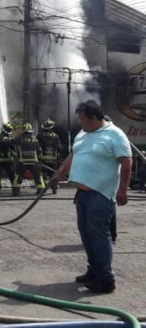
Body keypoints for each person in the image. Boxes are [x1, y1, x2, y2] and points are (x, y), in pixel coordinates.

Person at [50, 100, 132, 293]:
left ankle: (105, 278)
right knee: (87, 235)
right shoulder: (83, 133)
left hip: (101, 195)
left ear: (95, 118)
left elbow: (126, 162)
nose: (81, 123)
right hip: (83, 195)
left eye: (83, 119)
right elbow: (73, 155)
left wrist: (123, 190)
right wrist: (59, 174)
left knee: (99, 236)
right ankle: (94, 270)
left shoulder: (115, 134)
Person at [12, 123, 45, 196]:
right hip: (34, 161)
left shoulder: (19, 138)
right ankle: (41, 190)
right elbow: (39, 150)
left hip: (23, 161)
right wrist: (40, 160)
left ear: (24, 130)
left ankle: (16, 191)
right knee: (38, 176)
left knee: (19, 176)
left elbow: (12, 144)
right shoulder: (35, 139)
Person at [0, 123, 16, 195]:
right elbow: (14, 148)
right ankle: (15, 189)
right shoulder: (10, 139)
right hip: (8, 160)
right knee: (12, 174)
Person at [37, 118, 62, 194]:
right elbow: (59, 148)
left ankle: (44, 190)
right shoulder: (56, 136)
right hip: (53, 159)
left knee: (43, 175)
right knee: (53, 174)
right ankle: (54, 188)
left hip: (43, 159)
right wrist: (58, 157)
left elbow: (37, 146)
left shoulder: (40, 135)